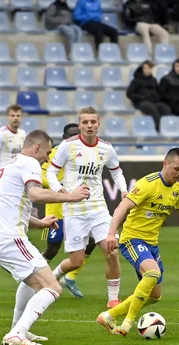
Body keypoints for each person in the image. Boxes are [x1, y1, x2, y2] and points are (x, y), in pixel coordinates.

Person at [96, 148, 179, 336]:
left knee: (155, 296)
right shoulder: (148, 184)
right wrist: (110, 234)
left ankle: (107, 316)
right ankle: (127, 323)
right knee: (153, 273)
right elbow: (122, 207)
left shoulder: (177, 190)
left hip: (152, 244)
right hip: (132, 239)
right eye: (177, 168)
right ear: (165, 164)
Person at [0, 130, 91, 345]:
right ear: (36, 148)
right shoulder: (30, 163)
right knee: (52, 287)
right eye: (47, 152)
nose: (48, 158)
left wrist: (39, 223)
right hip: (9, 239)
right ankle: (17, 334)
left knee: (31, 278)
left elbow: (8, 207)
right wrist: (70, 197)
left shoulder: (7, 166)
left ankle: (18, 329)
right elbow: (35, 194)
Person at [47, 107, 128, 309]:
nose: (89, 126)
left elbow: (117, 172)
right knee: (75, 261)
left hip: (98, 208)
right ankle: (52, 279)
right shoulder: (67, 146)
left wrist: (124, 190)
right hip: (74, 210)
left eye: (93, 122)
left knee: (111, 251)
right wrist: (60, 190)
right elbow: (51, 172)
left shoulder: (107, 148)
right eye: (85, 122)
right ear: (80, 124)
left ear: (98, 124)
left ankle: (113, 299)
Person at [41, 123, 99, 299]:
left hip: (79, 209)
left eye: (77, 133)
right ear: (65, 137)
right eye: (71, 135)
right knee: (53, 248)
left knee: (93, 239)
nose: (75, 137)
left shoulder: (86, 152)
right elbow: (42, 177)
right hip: (57, 210)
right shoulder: (54, 153)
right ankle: (37, 279)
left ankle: (70, 277)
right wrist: (62, 187)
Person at [127, 60, 171, 131]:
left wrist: (156, 97)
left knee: (166, 108)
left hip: (153, 101)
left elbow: (157, 92)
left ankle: (168, 128)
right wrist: (141, 97)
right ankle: (158, 128)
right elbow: (129, 94)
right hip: (141, 102)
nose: (147, 70)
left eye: (149, 68)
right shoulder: (136, 81)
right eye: (145, 68)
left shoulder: (153, 80)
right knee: (152, 108)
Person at [0, 105, 26, 182]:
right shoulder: (0, 134)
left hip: (19, 177)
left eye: (18, 116)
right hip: (4, 177)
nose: (15, 118)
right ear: (8, 117)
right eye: (12, 116)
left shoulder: (23, 134)